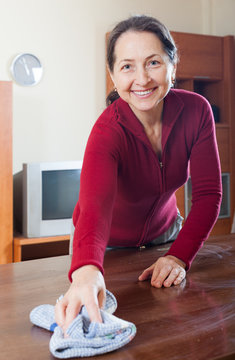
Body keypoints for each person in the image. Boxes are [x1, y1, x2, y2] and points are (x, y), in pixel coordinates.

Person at [55, 15, 222, 333]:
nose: (142, 79)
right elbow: (94, 209)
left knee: (169, 327)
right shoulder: (107, 132)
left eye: (153, 62)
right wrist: (87, 269)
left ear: (173, 65)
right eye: (127, 66)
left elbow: (208, 194)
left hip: (167, 237)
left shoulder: (197, 111)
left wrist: (178, 257)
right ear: (113, 75)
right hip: (106, 247)